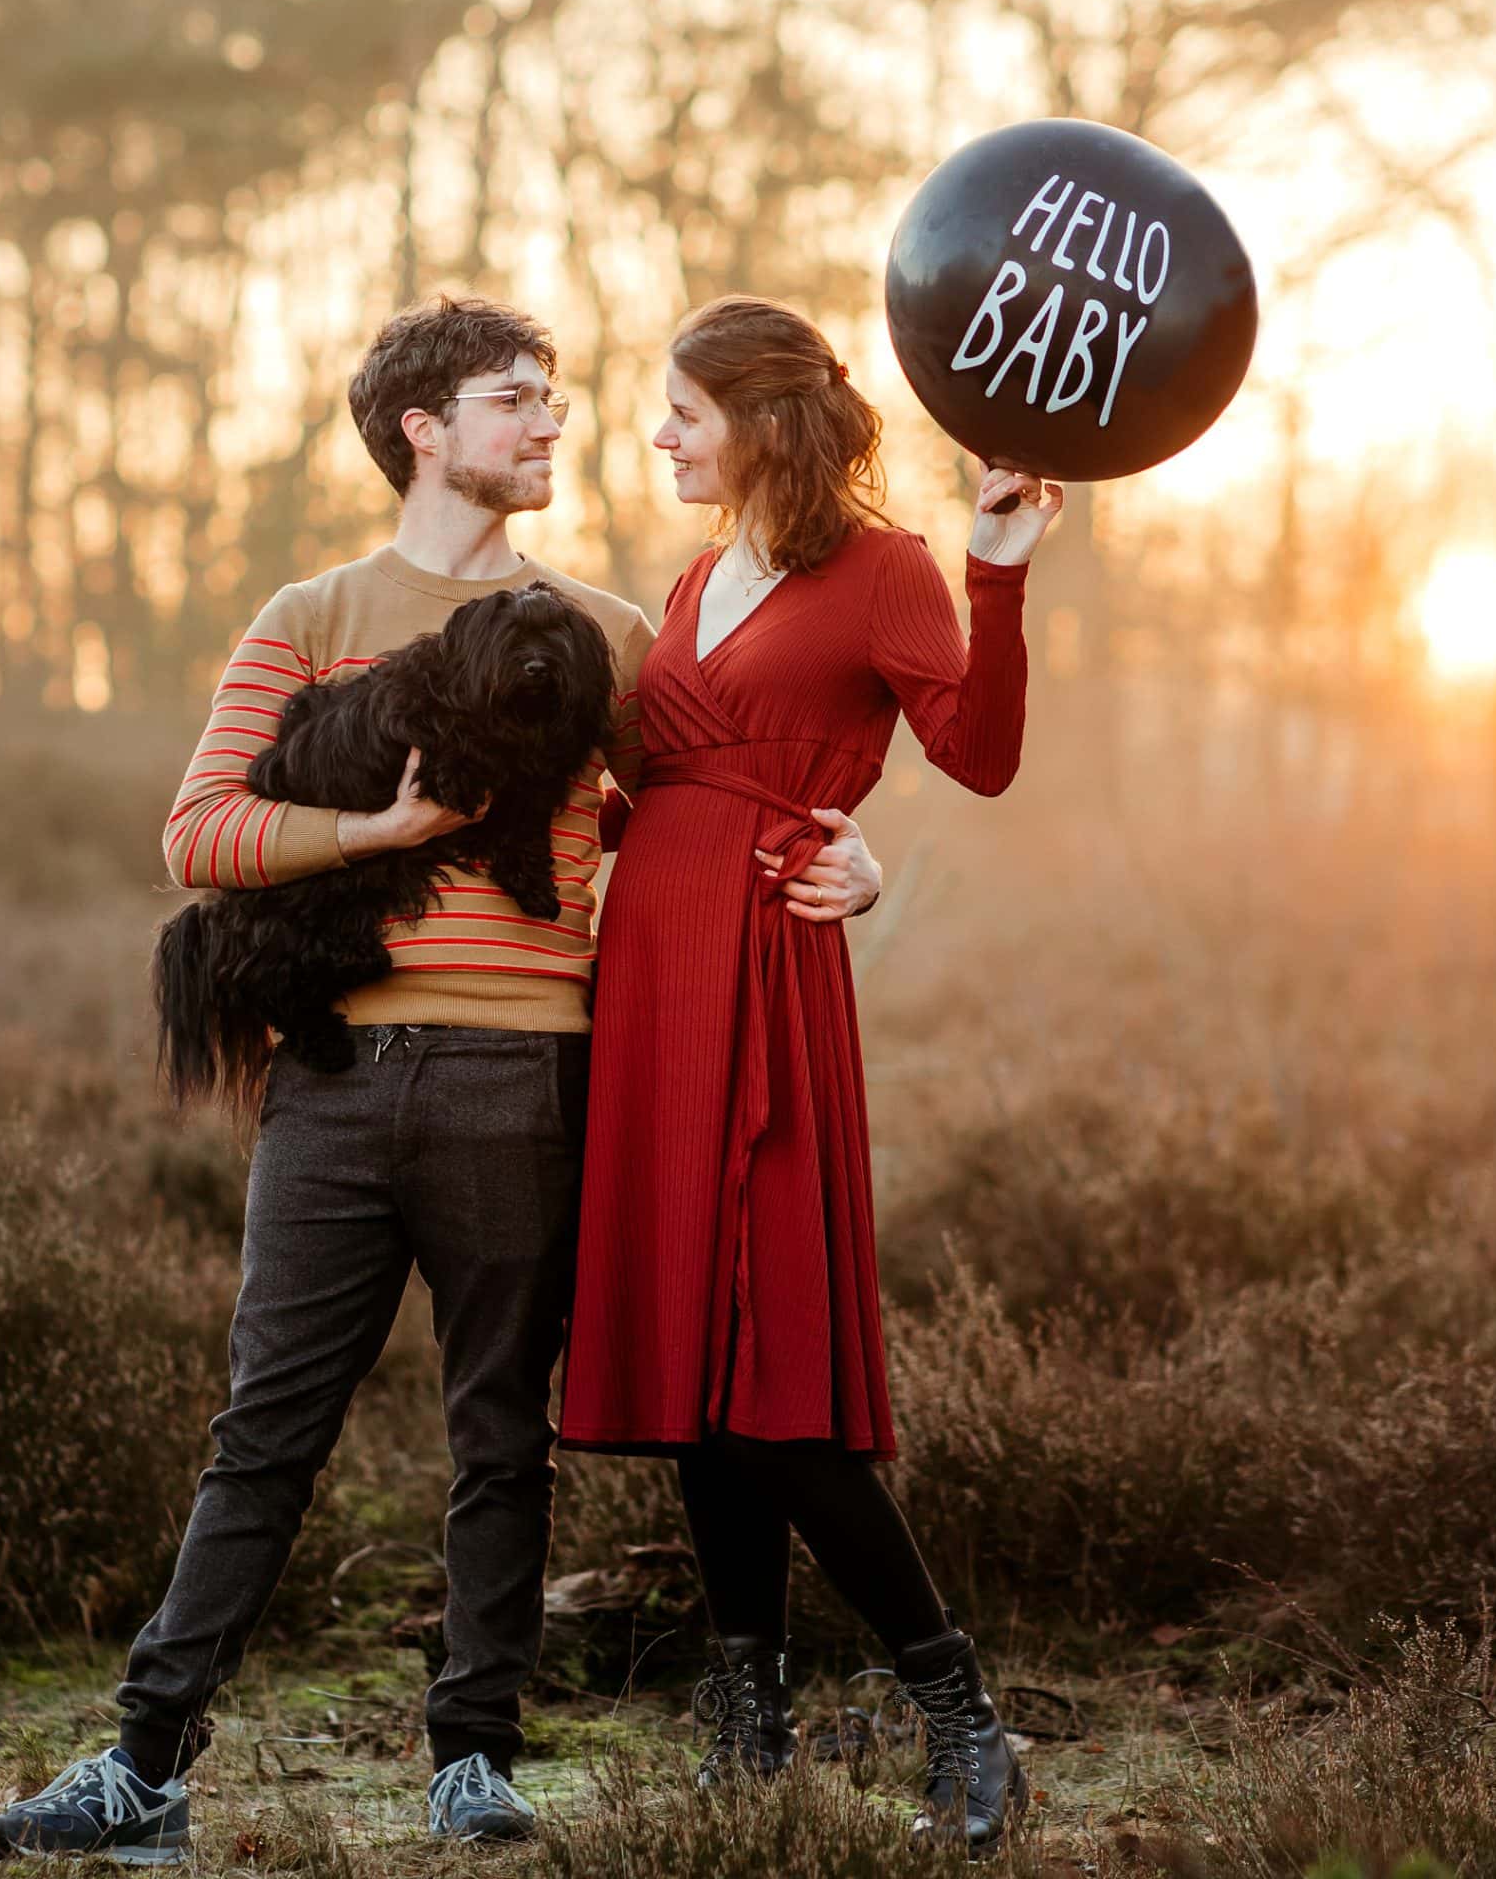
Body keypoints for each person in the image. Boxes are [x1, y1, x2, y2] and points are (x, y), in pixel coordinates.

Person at [0, 295, 881, 1865]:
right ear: (424, 429)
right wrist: (374, 837)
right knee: (265, 1430)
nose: (551, 425)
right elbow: (198, 833)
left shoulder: (604, 630)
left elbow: (714, 806)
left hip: (525, 1081)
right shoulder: (312, 613)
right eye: (517, 401)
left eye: (554, 400)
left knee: (497, 1440)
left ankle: (473, 1760)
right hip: (331, 1084)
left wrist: (848, 854)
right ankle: (143, 1768)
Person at [560, 294, 1062, 1858]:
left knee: (776, 1380)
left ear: (760, 418)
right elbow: (658, 781)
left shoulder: (886, 571)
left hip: (765, 982)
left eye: (682, 413)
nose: (658, 439)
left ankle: (965, 1723)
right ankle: (747, 1717)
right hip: (647, 980)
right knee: (706, 1380)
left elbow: (974, 753)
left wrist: (999, 567)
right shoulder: (697, 577)